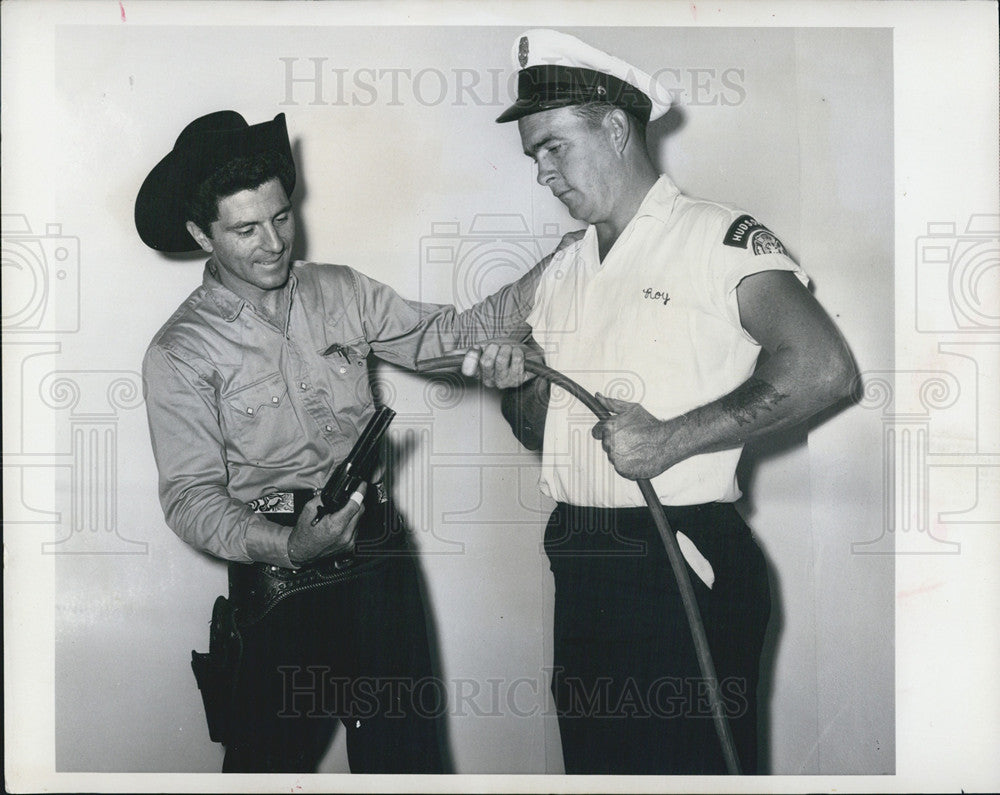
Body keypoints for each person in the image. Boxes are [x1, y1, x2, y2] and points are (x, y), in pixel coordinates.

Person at [461, 29, 858, 775]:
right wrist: (517, 380)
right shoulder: (564, 269)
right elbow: (540, 427)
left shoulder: (716, 237)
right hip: (581, 557)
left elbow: (824, 368)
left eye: (552, 147)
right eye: (533, 156)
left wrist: (673, 438)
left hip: (679, 555)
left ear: (613, 127)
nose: (542, 173)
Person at [136, 110, 567, 773]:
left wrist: (561, 266)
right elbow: (191, 497)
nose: (275, 242)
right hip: (278, 587)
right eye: (246, 229)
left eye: (281, 217)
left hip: (379, 567)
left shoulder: (341, 290)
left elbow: (448, 337)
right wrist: (288, 543)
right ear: (201, 235)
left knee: (410, 770)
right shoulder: (180, 351)